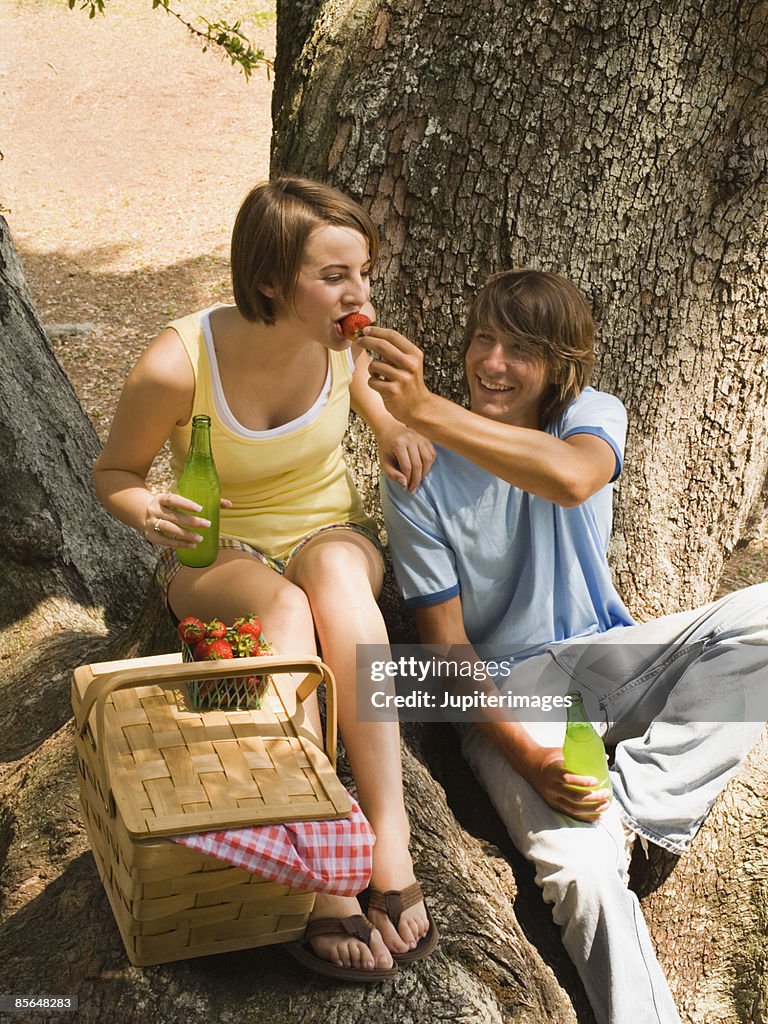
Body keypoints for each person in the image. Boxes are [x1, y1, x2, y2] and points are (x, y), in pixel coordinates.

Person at [363, 268, 768, 1023]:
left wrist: (423, 409)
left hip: (606, 657)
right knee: (583, 880)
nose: (492, 364)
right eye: (484, 340)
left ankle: (638, 805)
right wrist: (532, 761)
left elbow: (575, 480)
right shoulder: (418, 470)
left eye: (520, 350)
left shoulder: (588, 415)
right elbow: (445, 653)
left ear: (560, 367)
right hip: (510, 694)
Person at [93, 176, 440, 981]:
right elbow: (114, 474)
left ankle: (389, 838)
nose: (360, 296)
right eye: (335, 276)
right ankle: (317, 861)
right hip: (220, 552)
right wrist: (147, 509)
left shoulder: (343, 343)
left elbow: (371, 399)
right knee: (284, 612)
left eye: (363, 273)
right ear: (271, 282)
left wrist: (394, 429)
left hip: (327, 530)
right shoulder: (179, 362)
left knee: (338, 585)